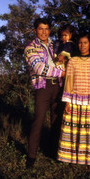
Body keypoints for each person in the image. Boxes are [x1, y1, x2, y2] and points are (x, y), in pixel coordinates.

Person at [57, 32, 90, 168]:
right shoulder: (73, 61)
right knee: (74, 130)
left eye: (85, 42)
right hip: (75, 101)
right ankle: (73, 159)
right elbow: (68, 82)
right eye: (80, 43)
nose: (82, 45)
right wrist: (68, 102)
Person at [24, 18, 65, 168]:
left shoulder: (56, 45)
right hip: (43, 86)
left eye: (47, 29)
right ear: (35, 30)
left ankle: (55, 153)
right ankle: (31, 157)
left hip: (58, 86)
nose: (44, 32)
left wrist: (63, 64)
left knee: (57, 120)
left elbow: (63, 60)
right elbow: (38, 68)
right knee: (38, 120)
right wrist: (62, 73)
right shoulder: (30, 47)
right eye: (40, 29)